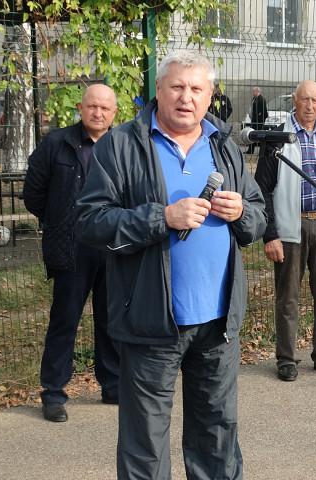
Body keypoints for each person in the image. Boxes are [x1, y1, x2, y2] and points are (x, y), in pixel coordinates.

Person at [76, 51, 266, 480]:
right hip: (150, 322)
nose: (186, 97)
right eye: (177, 87)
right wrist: (161, 217)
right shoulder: (122, 144)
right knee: (145, 446)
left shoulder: (224, 146)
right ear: (158, 92)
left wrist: (242, 214)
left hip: (218, 324)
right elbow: (89, 222)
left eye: (196, 89)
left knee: (217, 437)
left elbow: (257, 214)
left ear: (210, 96)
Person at [23, 84, 120, 423]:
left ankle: (113, 385)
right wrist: (58, 221)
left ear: (114, 113)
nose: (98, 113)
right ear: (81, 108)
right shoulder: (56, 143)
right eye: (92, 106)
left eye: (105, 108)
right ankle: (53, 393)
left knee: (110, 321)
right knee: (64, 321)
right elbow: (33, 193)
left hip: (111, 246)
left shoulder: (121, 145)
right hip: (71, 248)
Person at [254, 80, 316, 382]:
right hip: (289, 226)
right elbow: (262, 189)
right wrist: (270, 235)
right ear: (294, 101)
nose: (310, 106)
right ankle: (287, 359)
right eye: (304, 99)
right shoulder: (278, 139)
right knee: (288, 297)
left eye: (315, 100)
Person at [246, 85, 268, 154]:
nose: (252, 93)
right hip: (254, 120)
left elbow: (264, 111)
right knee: (252, 134)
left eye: (253, 91)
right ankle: (250, 150)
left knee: (259, 136)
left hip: (259, 121)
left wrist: (260, 119)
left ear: (257, 91)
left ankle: (262, 151)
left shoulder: (261, 99)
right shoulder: (254, 99)